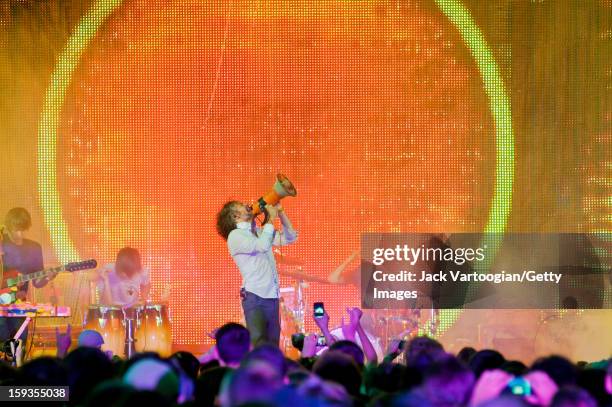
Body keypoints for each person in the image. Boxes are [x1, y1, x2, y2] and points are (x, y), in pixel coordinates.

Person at [216, 201, 297, 346]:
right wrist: (270, 219)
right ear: (235, 216)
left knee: (272, 345)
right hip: (255, 296)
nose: (247, 205)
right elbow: (262, 246)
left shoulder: (259, 232)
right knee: (259, 344)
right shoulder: (235, 236)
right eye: (241, 205)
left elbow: (290, 237)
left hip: (272, 296)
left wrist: (281, 213)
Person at [0, 208, 54, 342]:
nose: (19, 234)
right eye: (15, 229)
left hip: (19, 305)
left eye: (22, 229)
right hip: (1, 305)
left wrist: (48, 277)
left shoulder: (34, 248)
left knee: (20, 343)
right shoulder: (1, 244)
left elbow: (37, 282)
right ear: (8, 227)